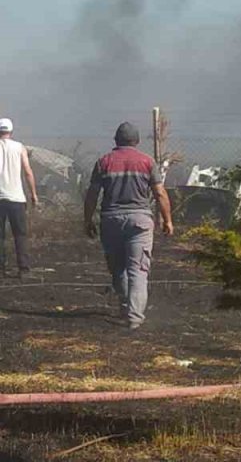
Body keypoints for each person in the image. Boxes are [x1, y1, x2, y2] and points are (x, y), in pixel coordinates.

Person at [83, 122, 175, 330]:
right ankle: (134, 318)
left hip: (111, 221)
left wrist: (87, 220)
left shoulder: (103, 162)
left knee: (118, 270)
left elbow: (91, 195)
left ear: (116, 141)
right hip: (140, 222)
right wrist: (167, 220)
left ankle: (125, 307)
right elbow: (160, 193)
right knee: (138, 271)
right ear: (137, 141)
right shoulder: (147, 162)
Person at [0, 117, 38, 277]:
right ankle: (24, 269)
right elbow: (27, 171)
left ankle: (0, 269)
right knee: (20, 234)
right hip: (16, 199)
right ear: (11, 132)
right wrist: (33, 193)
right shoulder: (20, 147)